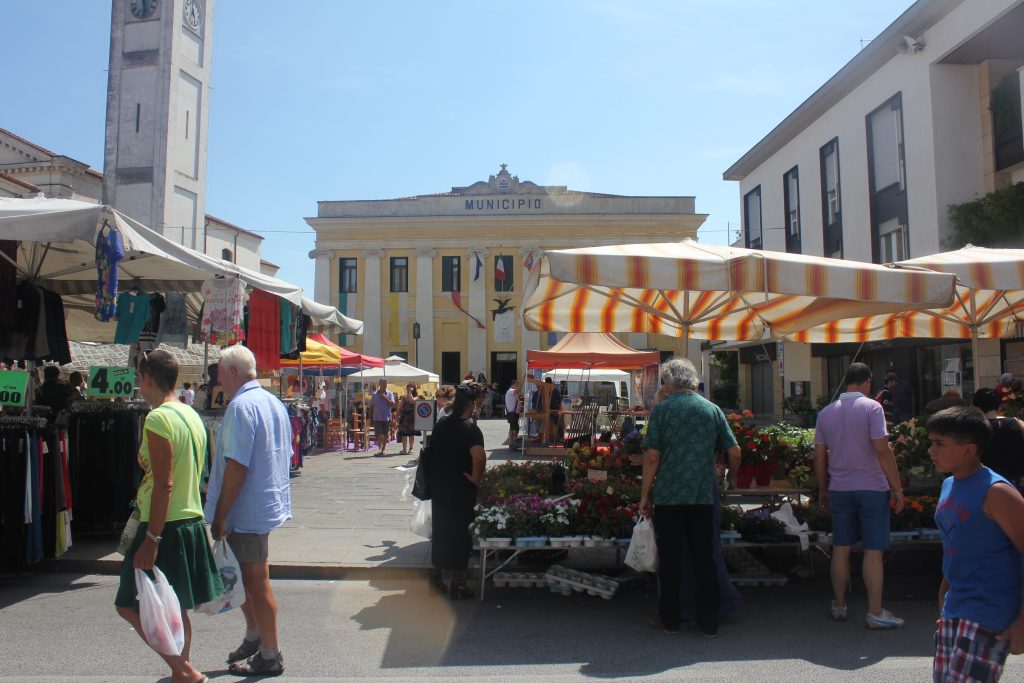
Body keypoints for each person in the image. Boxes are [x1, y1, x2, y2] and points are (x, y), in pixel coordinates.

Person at [114, 349, 221, 683]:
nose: (139, 386)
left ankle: (184, 670)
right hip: (188, 519)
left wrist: (152, 538)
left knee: (128, 604)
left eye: (140, 380)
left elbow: (164, 483)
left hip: (164, 524)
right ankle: (181, 671)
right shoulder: (192, 415)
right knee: (175, 606)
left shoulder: (158, 418)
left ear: (148, 379)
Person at [205, 345, 291, 677]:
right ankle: (256, 637)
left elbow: (237, 468)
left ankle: (270, 655)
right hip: (262, 504)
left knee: (255, 581)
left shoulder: (242, 407)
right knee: (247, 578)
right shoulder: (271, 401)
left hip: (246, 509)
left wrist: (221, 515)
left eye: (219, 373)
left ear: (230, 372)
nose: (217, 380)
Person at [640, 358, 741, 637]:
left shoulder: (662, 411)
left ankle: (670, 619)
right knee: (704, 557)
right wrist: (731, 478)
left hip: (669, 495)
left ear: (669, 383)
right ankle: (708, 622)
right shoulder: (712, 410)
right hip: (702, 495)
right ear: (693, 381)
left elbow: (651, 457)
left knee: (671, 559)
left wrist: (645, 494)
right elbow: (734, 451)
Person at [927, 407, 1024, 682]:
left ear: (969, 450)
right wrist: (944, 601)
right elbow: (956, 544)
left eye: (940, 444)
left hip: (989, 610)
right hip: (955, 607)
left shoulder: (997, 492)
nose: (931, 450)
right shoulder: (948, 485)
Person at [814, 362, 906, 628]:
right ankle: (875, 611)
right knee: (873, 551)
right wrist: (896, 487)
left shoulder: (826, 413)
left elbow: (819, 458)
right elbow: (882, 449)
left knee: (841, 548)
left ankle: (840, 605)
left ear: (846, 382)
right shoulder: (872, 408)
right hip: (871, 487)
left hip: (839, 488)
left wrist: (822, 489)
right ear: (867, 381)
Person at [427, 384, 486, 600]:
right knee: (461, 533)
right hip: (461, 487)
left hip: (440, 485)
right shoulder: (470, 428)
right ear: (471, 404)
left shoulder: (442, 423)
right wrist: (475, 479)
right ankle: (459, 583)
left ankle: (436, 577)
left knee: (441, 530)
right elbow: (479, 457)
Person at [972, 388, 1024, 487]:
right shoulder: (1018, 423)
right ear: (1000, 407)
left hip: (983, 484)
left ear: (976, 407)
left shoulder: (971, 429)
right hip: (1014, 484)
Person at [370, 379, 396, 455]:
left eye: (386, 384)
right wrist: (370, 418)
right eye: (383, 384)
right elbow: (371, 407)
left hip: (386, 417)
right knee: (379, 434)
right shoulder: (374, 395)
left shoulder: (390, 393)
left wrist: (385, 398)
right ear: (379, 384)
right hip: (377, 418)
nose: (385, 385)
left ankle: (383, 449)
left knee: (385, 434)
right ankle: (380, 449)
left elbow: (393, 404)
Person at [397, 383, 419, 455]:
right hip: (404, 417)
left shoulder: (417, 397)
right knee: (403, 434)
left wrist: (410, 393)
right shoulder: (403, 398)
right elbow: (400, 408)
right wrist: (397, 417)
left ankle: (411, 448)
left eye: (410, 389)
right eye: (407, 389)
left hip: (411, 417)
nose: (408, 390)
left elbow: (412, 401)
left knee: (411, 434)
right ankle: (404, 449)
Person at [504, 381, 520, 448]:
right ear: (513, 385)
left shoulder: (509, 391)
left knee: (512, 427)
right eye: (516, 385)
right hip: (513, 412)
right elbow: (518, 389)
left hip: (511, 412)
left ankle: (511, 441)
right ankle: (513, 441)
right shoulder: (511, 391)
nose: (517, 387)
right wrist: (523, 380)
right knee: (515, 427)